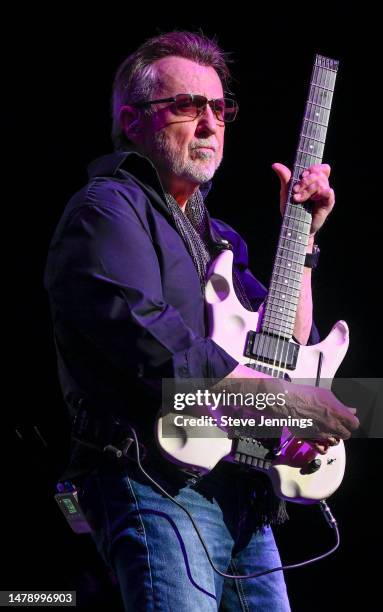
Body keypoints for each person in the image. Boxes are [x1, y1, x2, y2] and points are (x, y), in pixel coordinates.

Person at [44, 31, 359, 612]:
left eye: (219, 107)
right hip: (156, 481)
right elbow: (150, 341)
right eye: (187, 106)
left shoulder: (221, 238)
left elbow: (286, 347)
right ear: (132, 120)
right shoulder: (106, 209)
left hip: (240, 488)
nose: (211, 122)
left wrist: (305, 243)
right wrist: (279, 403)